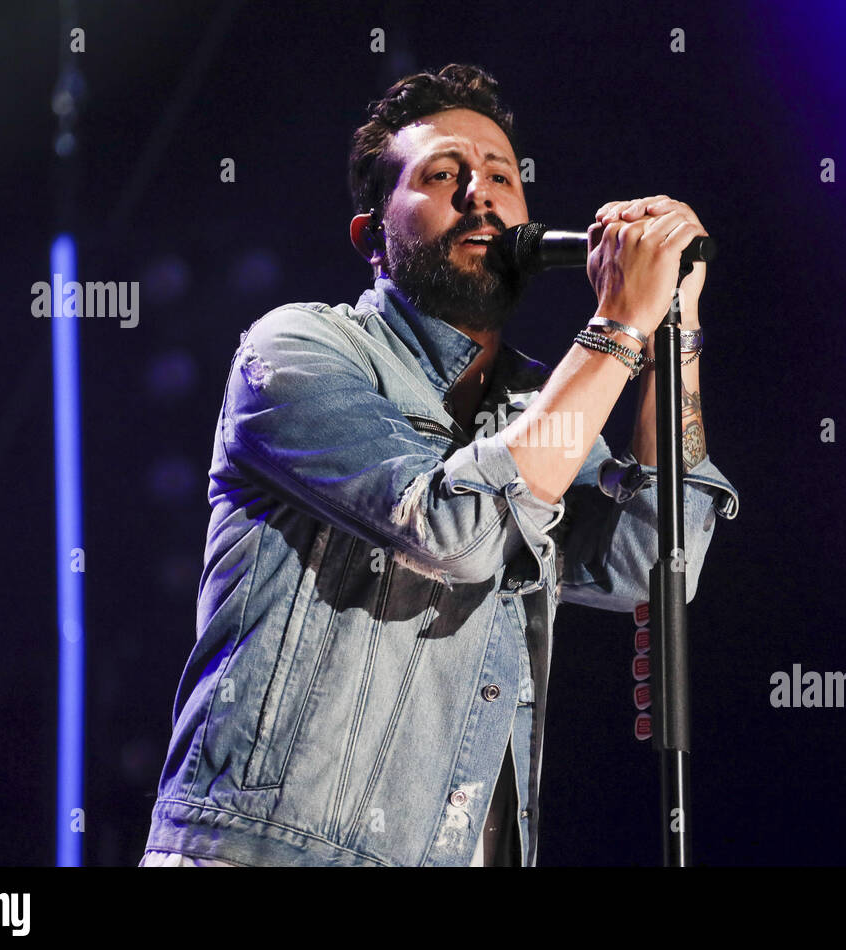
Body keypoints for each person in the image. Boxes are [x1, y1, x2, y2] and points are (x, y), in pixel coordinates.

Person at [140, 63, 738, 867]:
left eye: (501, 176)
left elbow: (652, 559)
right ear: (371, 238)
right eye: (442, 175)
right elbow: (455, 531)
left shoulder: (541, 407)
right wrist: (617, 326)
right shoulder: (298, 353)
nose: (480, 196)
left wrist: (676, 331)